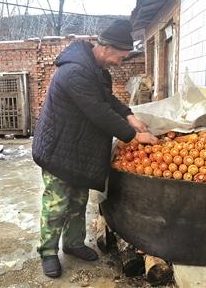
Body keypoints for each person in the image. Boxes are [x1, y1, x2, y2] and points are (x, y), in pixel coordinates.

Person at [32, 19, 159, 278]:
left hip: (79, 149)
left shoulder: (97, 70)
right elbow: (98, 111)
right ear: (106, 48)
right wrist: (133, 136)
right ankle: (47, 251)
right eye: (121, 57)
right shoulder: (75, 72)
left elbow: (108, 100)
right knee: (57, 205)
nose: (120, 63)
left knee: (78, 201)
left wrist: (129, 115)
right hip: (59, 148)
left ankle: (74, 243)